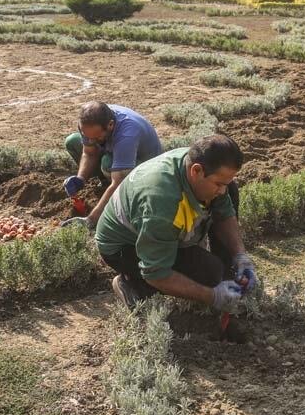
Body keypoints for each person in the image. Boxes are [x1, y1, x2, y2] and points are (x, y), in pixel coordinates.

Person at [95, 134, 258, 317]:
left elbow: (225, 214)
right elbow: (156, 273)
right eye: (218, 184)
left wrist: (240, 256)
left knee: (231, 190)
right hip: (124, 248)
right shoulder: (161, 204)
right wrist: (213, 296)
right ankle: (134, 285)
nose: (222, 190)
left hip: (157, 230)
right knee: (210, 274)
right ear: (196, 171)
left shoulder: (199, 164)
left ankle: (227, 277)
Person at [62, 101, 163, 229]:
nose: (91, 141)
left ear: (110, 125)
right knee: (72, 142)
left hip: (147, 172)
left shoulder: (127, 133)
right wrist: (80, 178)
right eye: (88, 137)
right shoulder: (89, 124)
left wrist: (91, 220)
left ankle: (121, 198)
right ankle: (105, 183)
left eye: (96, 137)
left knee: (107, 163)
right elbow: (89, 152)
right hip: (116, 153)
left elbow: (119, 181)